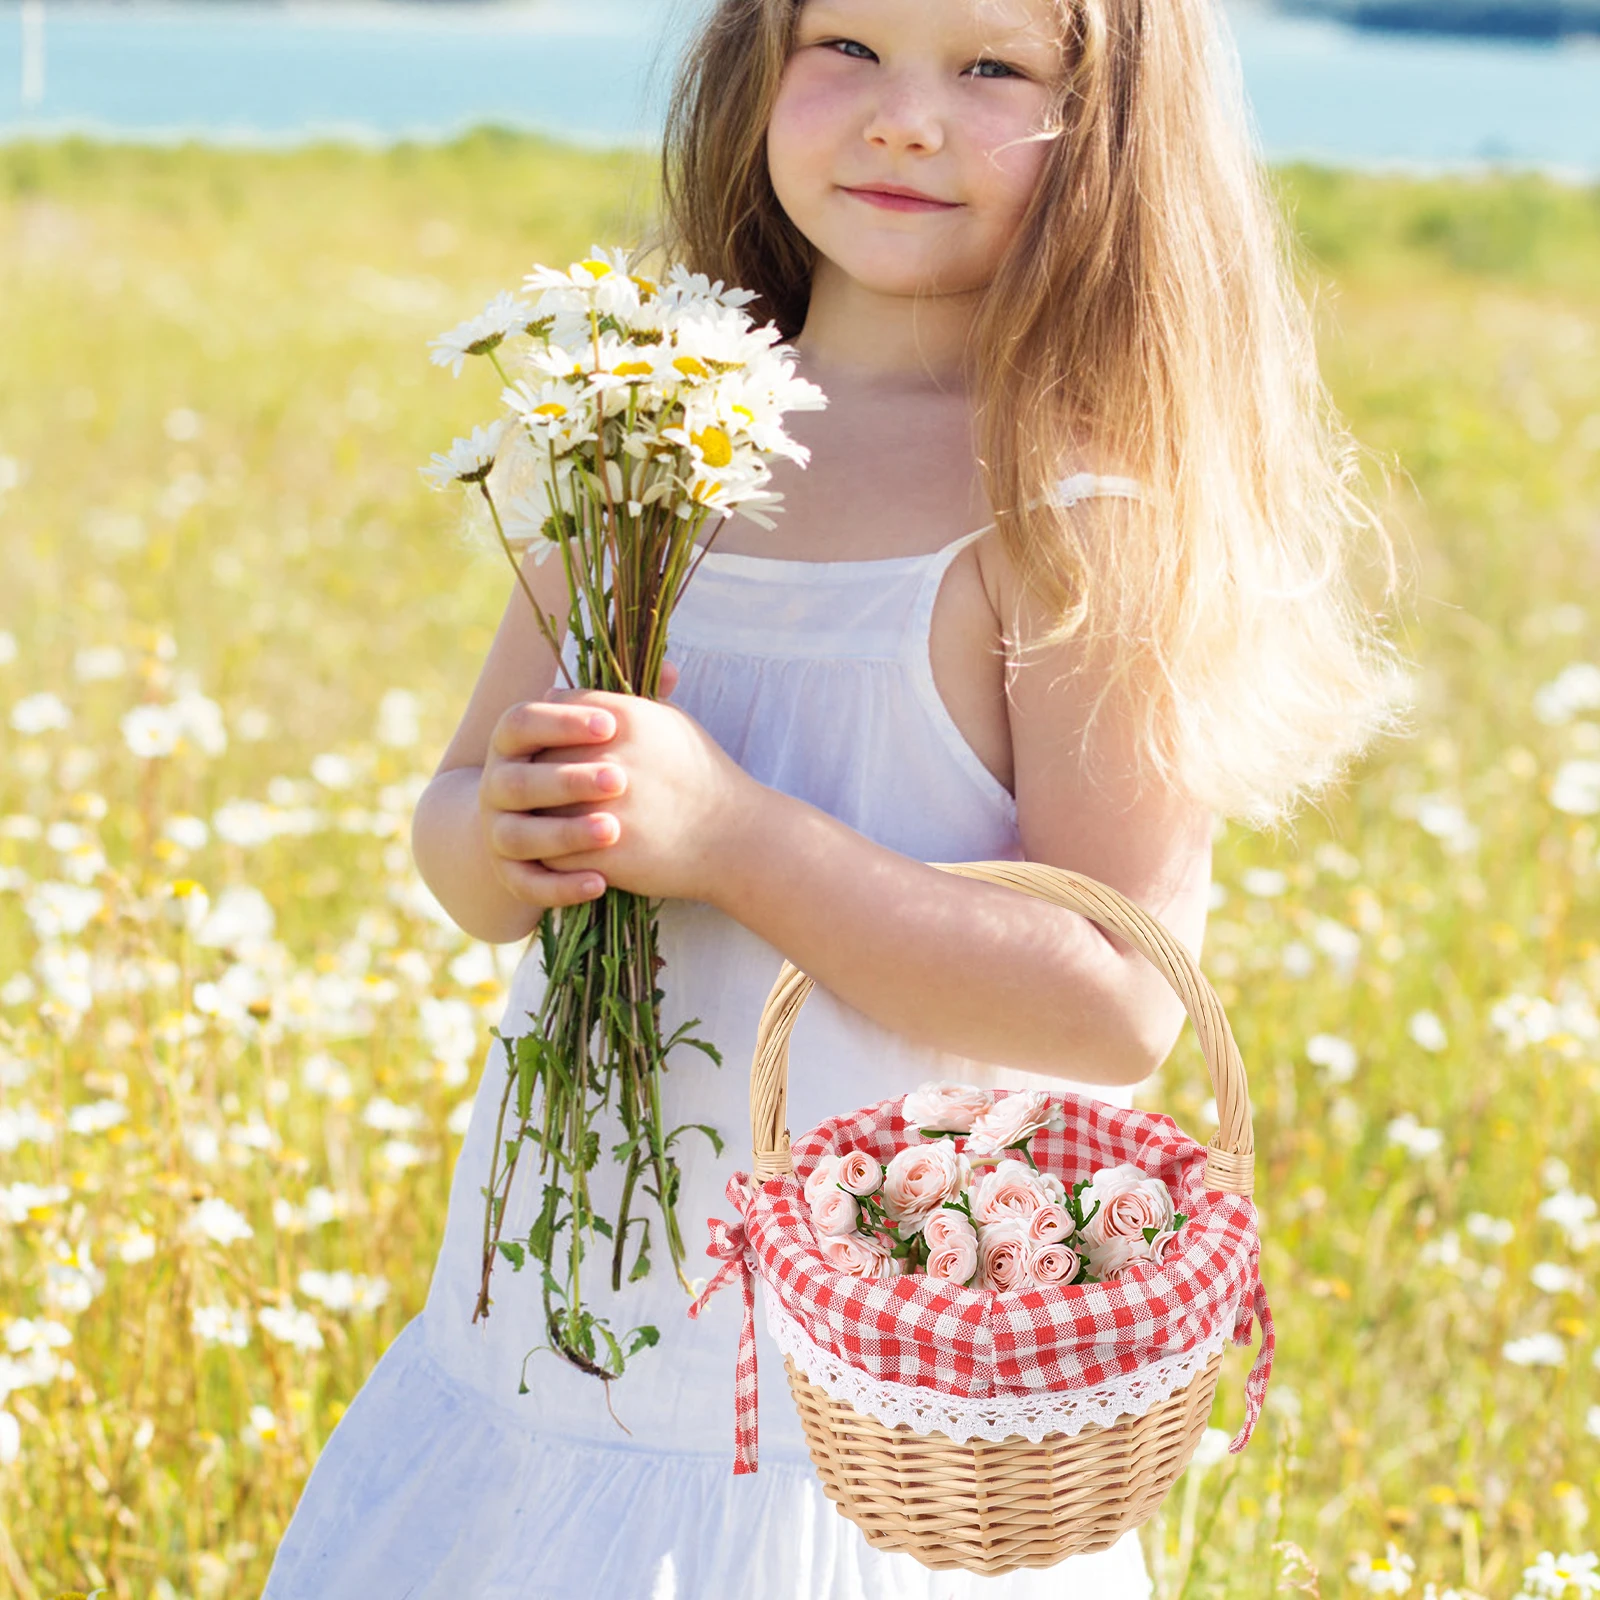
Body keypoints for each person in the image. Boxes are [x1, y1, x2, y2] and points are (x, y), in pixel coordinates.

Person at [262, 0, 1405, 1589]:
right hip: (539, 1351)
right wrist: (499, 833)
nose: (902, 117)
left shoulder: (1076, 506)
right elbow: (461, 848)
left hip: (856, 1414)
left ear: (1118, 130)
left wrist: (730, 838)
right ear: (755, 64)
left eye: (992, 68)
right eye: (847, 45)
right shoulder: (646, 446)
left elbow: (1117, 1003)